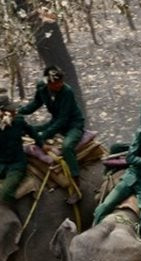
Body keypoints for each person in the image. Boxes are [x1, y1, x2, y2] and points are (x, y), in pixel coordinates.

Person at [19, 65, 85, 203]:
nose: (59, 85)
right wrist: (18, 112)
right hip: (55, 122)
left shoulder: (67, 91)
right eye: (55, 83)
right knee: (29, 130)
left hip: (72, 124)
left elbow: (63, 119)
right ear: (47, 82)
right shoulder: (42, 88)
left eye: (60, 82)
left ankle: (77, 185)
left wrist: (43, 136)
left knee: (67, 147)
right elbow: (35, 104)